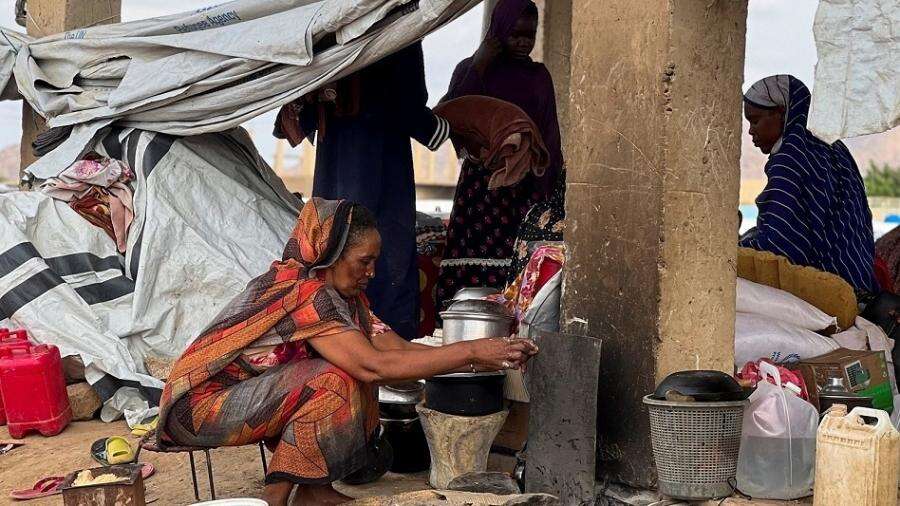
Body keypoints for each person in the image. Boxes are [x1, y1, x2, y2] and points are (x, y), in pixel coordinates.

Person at [158, 199, 538, 506]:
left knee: (344, 370)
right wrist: (472, 351)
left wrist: (483, 355)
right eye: (364, 261)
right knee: (336, 376)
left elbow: (399, 352)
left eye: (374, 261)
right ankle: (273, 499)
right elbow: (373, 366)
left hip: (248, 400)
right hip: (200, 408)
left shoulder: (344, 299)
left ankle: (313, 490)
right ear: (331, 253)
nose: (371, 271)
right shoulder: (304, 293)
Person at [275, 41, 450, 341]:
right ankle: (383, 349)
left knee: (337, 247)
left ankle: (343, 336)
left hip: (340, 158)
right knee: (382, 255)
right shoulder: (398, 33)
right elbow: (411, 100)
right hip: (382, 162)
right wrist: (443, 128)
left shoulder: (330, 36)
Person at [436, 0, 564, 310]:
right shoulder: (471, 69)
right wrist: (481, 61)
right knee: (472, 267)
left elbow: (549, 134)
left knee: (516, 264)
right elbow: (452, 113)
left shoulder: (538, 77)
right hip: (481, 188)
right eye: (514, 34)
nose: (523, 43)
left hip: (524, 188)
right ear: (498, 31)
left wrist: (549, 193)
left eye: (529, 35)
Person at [740, 74, 876, 294]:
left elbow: (783, 244)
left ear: (782, 113)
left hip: (824, 286)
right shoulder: (834, 148)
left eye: (755, 121)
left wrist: (734, 250)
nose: (751, 131)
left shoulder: (790, 159)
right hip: (856, 278)